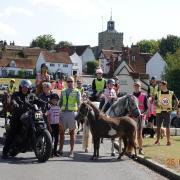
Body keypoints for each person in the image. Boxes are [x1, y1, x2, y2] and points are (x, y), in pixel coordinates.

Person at [2, 80, 44, 159]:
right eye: (23, 87)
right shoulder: (16, 94)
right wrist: (14, 103)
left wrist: (45, 103)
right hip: (17, 117)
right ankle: (5, 152)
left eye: (26, 87)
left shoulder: (31, 95)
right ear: (20, 88)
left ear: (29, 88)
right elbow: (13, 99)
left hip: (29, 115)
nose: (24, 89)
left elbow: (38, 100)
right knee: (12, 131)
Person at [58, 76, 81, 157]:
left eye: (71, 81)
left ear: (74, 82)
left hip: (72, 113)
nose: (70, 83)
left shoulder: (77, 91)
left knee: (72, 133)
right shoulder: (63, 91)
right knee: (61, 133)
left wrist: (78, 113)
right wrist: (57, 111)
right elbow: (60, 103)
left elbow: (79, 103)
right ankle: (60, 149)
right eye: (68, 81)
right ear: (66, 82)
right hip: (63, 113)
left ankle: (71, 151)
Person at [154, 81, 178, 146]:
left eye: (161, 85)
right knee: (158, 127)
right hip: (159, 112)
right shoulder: (158, 93)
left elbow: (176, 101)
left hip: (167, 112)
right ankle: (157, 140)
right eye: (160, 85)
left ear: (165, 85)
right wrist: (158, 105)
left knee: (168, 127)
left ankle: (168, 141)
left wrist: (173, 108)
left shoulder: (171, 93)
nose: (160, 86)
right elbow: (155, 102)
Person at [133, 81, 148, 155]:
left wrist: (142, 114)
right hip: (133, 117)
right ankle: (132, 148)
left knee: (139, 133)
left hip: (141, 117)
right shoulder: (131, 96)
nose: (137, 87)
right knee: (132, 133)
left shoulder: (144, 96)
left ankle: (141, 149)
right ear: (133, 87)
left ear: (140, 87)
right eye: (135, 86)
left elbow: (146, 108)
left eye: (138, 86)